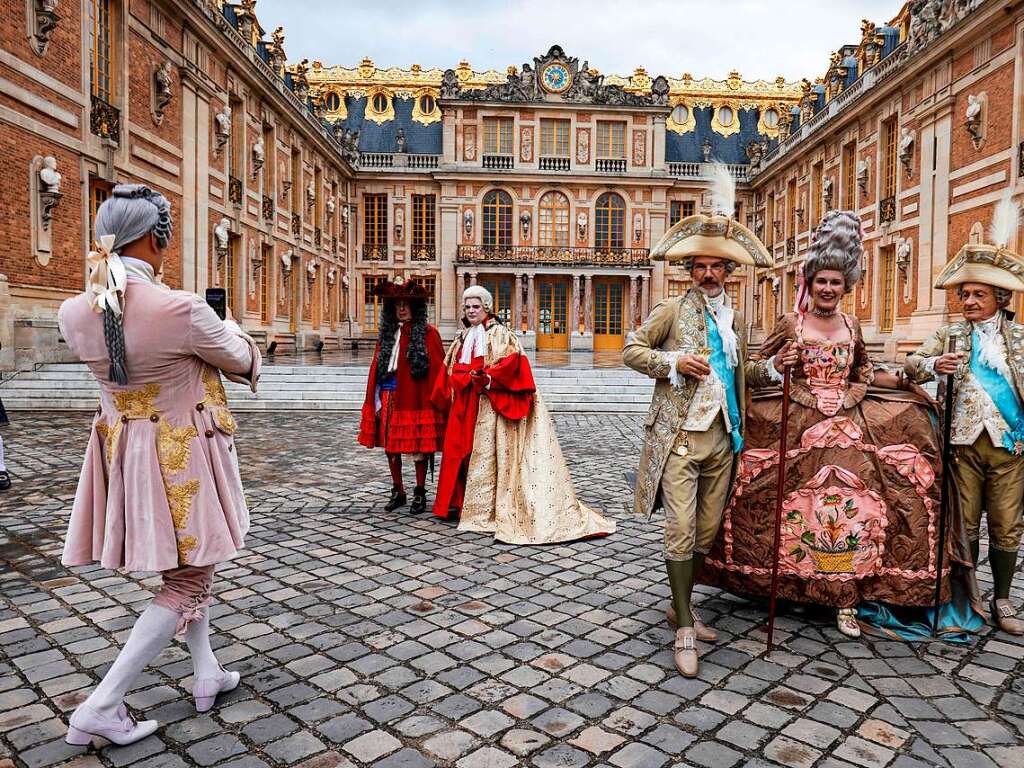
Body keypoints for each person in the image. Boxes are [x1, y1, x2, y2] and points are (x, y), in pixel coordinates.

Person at [700, 210, 980, 642]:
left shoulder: (852, 325)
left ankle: (847, 596)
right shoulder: (791, 324)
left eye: (835, 282)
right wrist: (777, 366)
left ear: (846, 287)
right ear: (808, 285)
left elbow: (865, 371)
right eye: (820, 282)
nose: (827, 289)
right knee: (782, 497)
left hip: (850, 417)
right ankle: (795, 584)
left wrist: (907, 380)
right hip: (796, 415)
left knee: (863, 495)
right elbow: (751, 370)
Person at [58, 184, 261, 746]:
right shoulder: (182, 309)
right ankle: (102, 704)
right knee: (191, 577)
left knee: (191, 570)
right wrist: (230, 328)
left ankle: (206, 672)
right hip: (184, 459)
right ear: (155, 238)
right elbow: (242, 360)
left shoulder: (74, 310)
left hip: (124, 458)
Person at [624, 163, 771, 678]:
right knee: (681, 527)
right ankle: (686, 623)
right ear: (689, 270)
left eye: (717, 267)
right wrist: (672, 363)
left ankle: (677, 601)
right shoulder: (670, 310)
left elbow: (740, 370)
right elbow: (631, 350)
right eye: (700, 267)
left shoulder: (737, 320)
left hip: (723, 440)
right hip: (680, 439)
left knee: (707, 530)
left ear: (729, 272)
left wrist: (773, 366)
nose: (709, 274)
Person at [906, 192, 1024, 635]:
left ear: (998, 297)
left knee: (1008, 525)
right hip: (961, 446)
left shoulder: (1020, 339)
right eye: (964, 294)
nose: (969, 301)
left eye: (977, 294)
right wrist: (934, 364)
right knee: (965, 523)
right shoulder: (950, 333)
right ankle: (967, 595)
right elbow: (912, 364)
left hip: (1011, 446)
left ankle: (1005, 599)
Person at [431, 285, 615, 544]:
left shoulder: (501, 335)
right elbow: (449, 368)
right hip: (464, 403)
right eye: (468, 306)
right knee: (460, 452)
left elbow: (512, 365)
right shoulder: (462, 336)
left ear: (486, 308)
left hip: (487, 403)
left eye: (476, 306)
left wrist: (488, 379)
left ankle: (487, 508)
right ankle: (460, 503)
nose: (471, 311)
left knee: (487, 455)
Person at [357, 278, 446, 514]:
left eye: (406, 304)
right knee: (390, 447)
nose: (402, 308)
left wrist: (437, 403)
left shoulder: (429, 334)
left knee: (419, 447)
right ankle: (398, 490)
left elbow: (438, 372)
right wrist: (375, 399)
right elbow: (377, 370)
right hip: (388, 396)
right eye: (398, 305)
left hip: (416, 399)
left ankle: (419, 493)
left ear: (415, 307)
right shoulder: (385, 335)